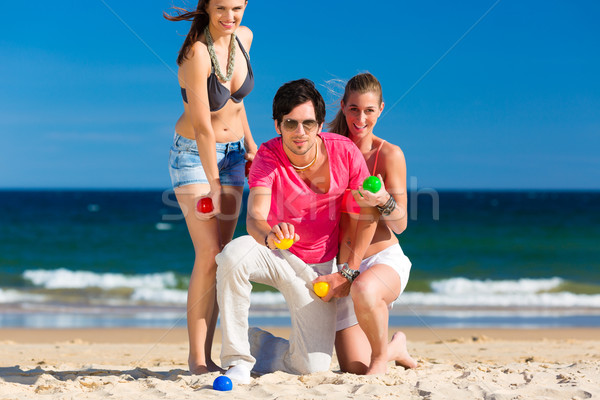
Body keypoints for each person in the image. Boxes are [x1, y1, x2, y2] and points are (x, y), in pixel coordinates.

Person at [215, 79, 377, 384]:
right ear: (278, 124)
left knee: (312, 366)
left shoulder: (344, 152)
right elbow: (254, 219)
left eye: (307, 123)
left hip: (317, 268)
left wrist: (349, 273)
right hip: (275, 252)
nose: (299, 132)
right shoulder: (267, 155)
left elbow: (368, 214)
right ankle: (237, 360)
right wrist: (270, 234)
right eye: (290, 123)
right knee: (232, 256)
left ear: (319, 125)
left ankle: (256, 343)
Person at [164, 0, 258, 375]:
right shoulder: (196, 54)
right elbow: (203, 126)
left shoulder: (244, 38)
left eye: (237, 7)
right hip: (194, 156)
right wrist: (215, 184)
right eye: (220, 8)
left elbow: (237, 104)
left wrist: (251, 146)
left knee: (221, 259)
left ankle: (210, 354)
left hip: (235, 155)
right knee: (208, 253)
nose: (229, 16)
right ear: (206, 6)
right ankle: (197, 359)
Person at [325, 72, 418, 375]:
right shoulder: (329, 150)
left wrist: (383, 201)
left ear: (381, 109)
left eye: (369, 110)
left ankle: (381, 360)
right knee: (353, 367)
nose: (360, 118)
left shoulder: (389, 154)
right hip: (343, 268)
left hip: (381, 261)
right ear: (343, 106)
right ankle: (396, 348)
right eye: (354, 109)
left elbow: (401, 223)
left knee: (364, 289)